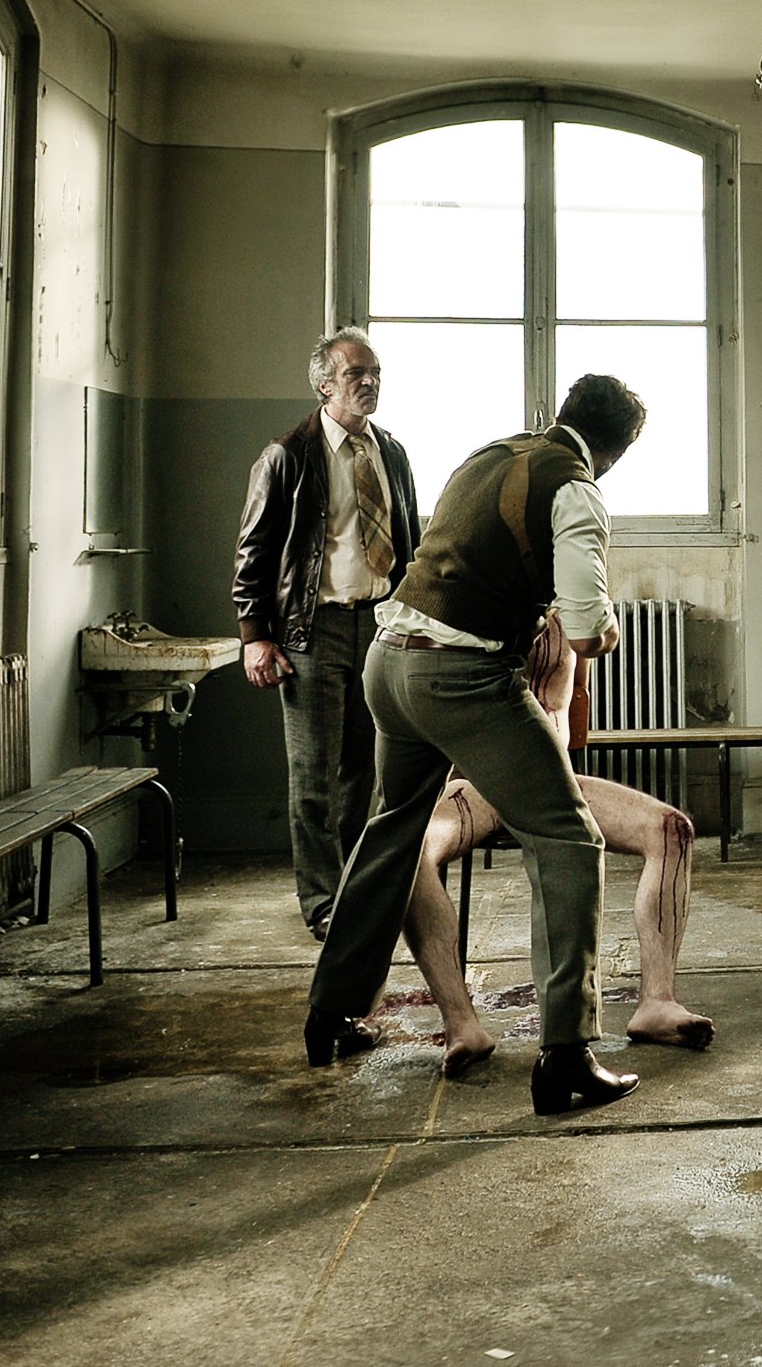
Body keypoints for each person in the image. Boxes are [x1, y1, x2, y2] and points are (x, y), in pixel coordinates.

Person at [305, 375, 646, 1117]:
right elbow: (588, 632)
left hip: (388, 663)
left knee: (394, 828)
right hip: (459, 676)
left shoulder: (491, 454)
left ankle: (330, 1010)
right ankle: (566, 1055)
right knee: (568, 837)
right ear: (618, 450)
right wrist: (609, 627)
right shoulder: (576, 488)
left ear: (562, 414)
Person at [407, 610, 712, 1079]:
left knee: (672, 830)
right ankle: (461, 1024)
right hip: (475, 785)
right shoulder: (473, 595)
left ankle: (658, 1003)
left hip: (552, 783)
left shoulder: (574, 608)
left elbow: (576, 694)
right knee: (408, 855)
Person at [233, 327, 420, 940]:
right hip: (312, 630)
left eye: (374, 373)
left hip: (382, 627)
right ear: (323, 385)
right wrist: (255, 635)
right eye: (354, 373)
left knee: (363, 771)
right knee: (314, 775)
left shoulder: (391, 453)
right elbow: (254, 551)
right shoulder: (288, 456)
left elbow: (411, 543)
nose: (368, 382)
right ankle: (322, 904)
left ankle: (355, 891)